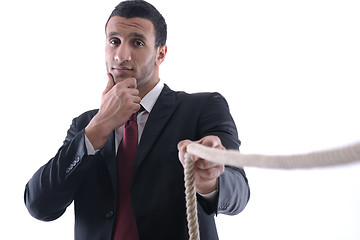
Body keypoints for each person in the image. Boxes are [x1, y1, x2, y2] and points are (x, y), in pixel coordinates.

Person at [24, 1, 250, 239]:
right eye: (114, 42)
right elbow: (40, 205)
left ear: (160, 53)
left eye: (137, 42)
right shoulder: (85, 125)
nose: (121, 55)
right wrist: (99, 127)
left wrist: (209, 183)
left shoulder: (202, 108)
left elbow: (239, 193)